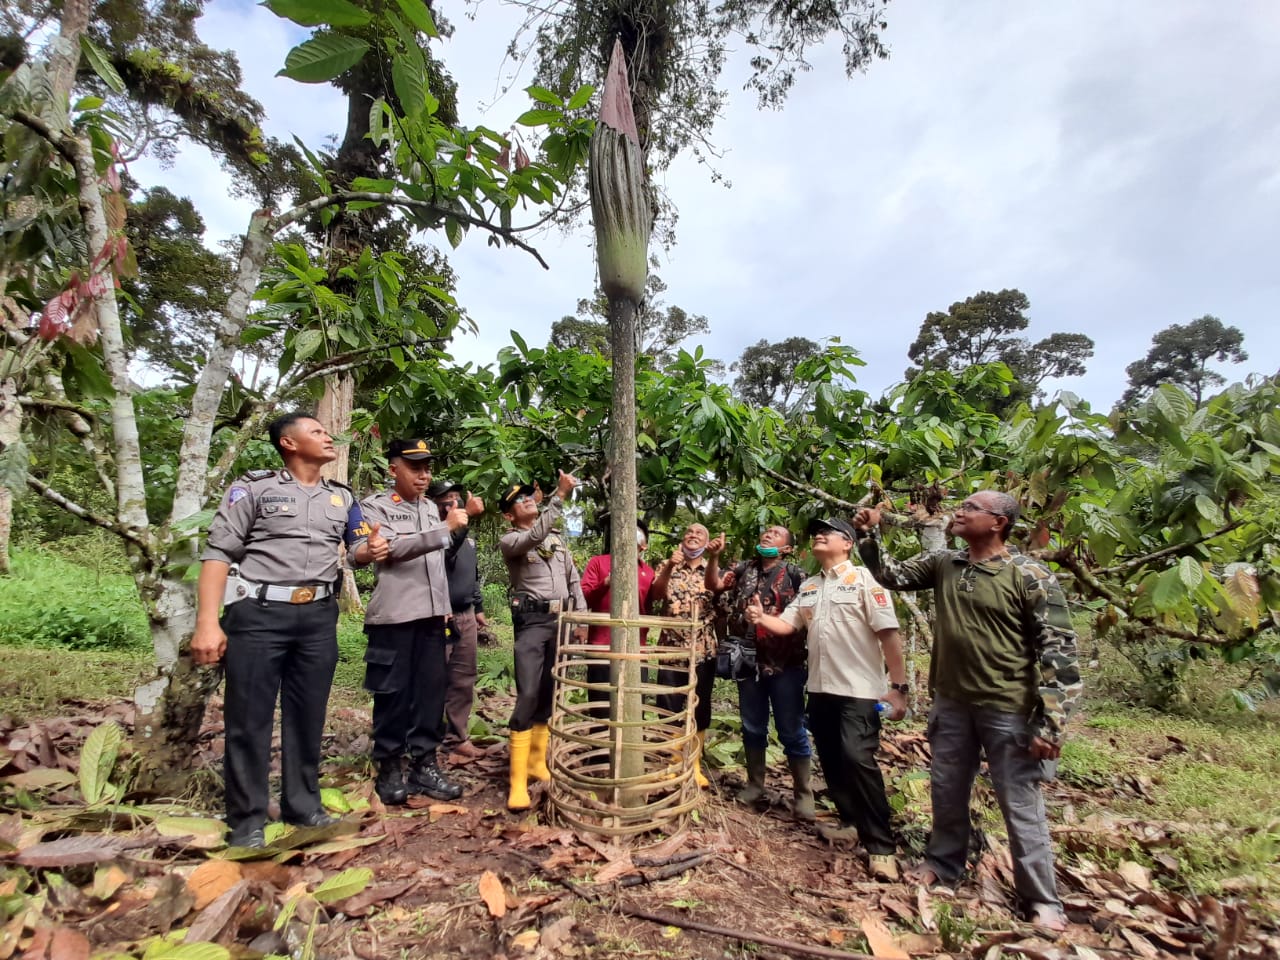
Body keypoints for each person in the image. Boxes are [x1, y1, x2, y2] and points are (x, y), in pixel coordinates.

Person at [852, 491, 1082, 933]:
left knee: (1020, 802)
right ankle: (943, 864)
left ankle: (1041, 897)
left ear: (998, 522)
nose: (959, 512)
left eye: (970, 508)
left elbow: (1060, 651)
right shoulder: (946, 564)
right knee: (947, 788)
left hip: (1008, 708)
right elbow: (889, 575)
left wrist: (1051, 721)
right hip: (952, 703)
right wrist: (868, 535)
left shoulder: (1028, 574)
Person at [193, 413, 387, 848]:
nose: (327, 435)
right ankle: (246, 820)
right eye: (316, 431)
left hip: (318, 617)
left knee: (307, 716)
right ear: (288, 443)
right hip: (258, 614)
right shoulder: (255, 489)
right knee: (249, 719)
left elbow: (356, 550)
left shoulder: (342, 497)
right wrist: (207, 623)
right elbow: (218, 554)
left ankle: (303, 805)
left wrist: (370, 550)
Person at [746, 518, 908, 880]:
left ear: (848, 544)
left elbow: (889, 636)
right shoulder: (810, 586)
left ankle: (881, 846)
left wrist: (899, 688)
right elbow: (788, 625)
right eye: (816, 531)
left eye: (829, 532)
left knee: (857, 758)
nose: (819, 534)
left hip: (860, 692)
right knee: (833, 760)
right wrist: (760, 618)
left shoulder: (867, 581)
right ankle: (850, 821)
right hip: (820, 689)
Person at [351, 440, 474, 806]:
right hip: (395, 617)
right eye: (414, 467)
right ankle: (389, 765)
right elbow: (390, 549)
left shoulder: (430, 510)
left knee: (429, 694)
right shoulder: (376, 506)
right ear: (393, 470)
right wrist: (444, 529)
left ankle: (424, 763)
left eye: (427, 468)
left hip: (433, 619)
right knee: (393, 695)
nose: (424, 475)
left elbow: (437, 561)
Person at [704, 525, 812, 817]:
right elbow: (714, 586)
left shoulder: (797, 575)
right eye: (766, 532)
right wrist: (714, 558)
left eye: (776, 534)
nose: (767, 534)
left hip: (786, 664)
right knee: (752, 725)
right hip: (748, 663)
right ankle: (755, 784)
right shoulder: (742, 569)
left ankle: (804, 794)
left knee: (791, 728)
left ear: (787, 548)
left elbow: (809, 613)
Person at [499, 470, 588, 810]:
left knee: (550, 693)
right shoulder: (512, 541)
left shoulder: (557, 541)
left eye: (527, 496)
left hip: (561, 620)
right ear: (509, 516)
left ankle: (538, 763)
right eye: (518, 501)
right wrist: (559, 496)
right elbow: (533, 536)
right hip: (532, 622)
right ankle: (517, 781)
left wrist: (579, 617)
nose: (525, 501)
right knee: (528, 693)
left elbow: (574, 580)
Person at [649, 523, 717, 788]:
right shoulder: (668, 565)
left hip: (703, 650)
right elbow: (655, 595)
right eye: (689, 532)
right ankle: (672, 761)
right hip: (670, 648)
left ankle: (694, 764)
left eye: (700, 533)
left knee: (700, 707)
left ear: (707, 542)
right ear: (681, 539)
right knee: (668, 706)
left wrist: (715, 560)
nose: (693, 535)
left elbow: (719, 596)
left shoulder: (712, 571)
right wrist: (668, 566)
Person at [427, 479, 489, 761]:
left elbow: (471, 576)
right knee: (433, 678)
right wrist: (461, 524)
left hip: (464, 616)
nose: (453, 503)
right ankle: (426, 737)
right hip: (437, 616)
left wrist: (478, 607)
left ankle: (457, 737)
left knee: (463, 679)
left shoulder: (471, 542)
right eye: (446, 499)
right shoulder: (433, 536)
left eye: (456, 498)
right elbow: (446, 553)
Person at [578, 520, 657, 718]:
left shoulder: (649, 573)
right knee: (601, 705)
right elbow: (583, 597)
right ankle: (601, 745)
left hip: (636, 648)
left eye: (637, 533)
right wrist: (604, 583)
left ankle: (630, 749)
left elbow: (651, 607)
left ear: (644, 544)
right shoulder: (599, 563)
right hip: (602, 646)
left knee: (633, 706)